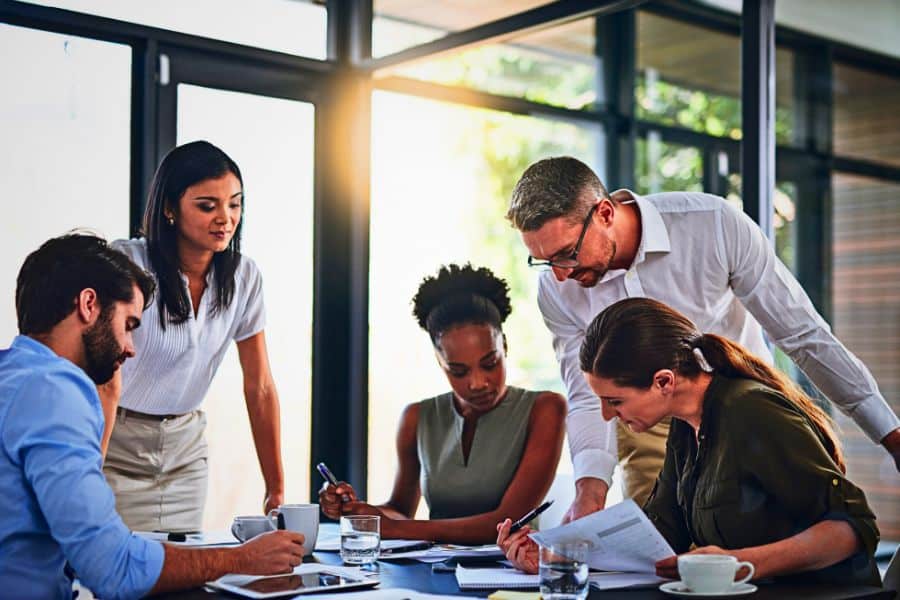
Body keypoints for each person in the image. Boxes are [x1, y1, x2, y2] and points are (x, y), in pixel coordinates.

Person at [506, 156, 900, 519]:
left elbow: (802, 334)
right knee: (653, 551)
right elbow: (587, 394)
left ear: (605, 212)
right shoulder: (556, 288)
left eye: (566, 254)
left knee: (758, 538)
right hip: (643, 417)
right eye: (544, 261)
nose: (559, 274)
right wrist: (589, 494)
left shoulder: (712, 225)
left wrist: (890, 433)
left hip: (739, 405)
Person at [0, 234, 305, 599]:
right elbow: (113, 569)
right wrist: (240, 559)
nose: (130, 349)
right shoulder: (57, 392)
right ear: (88, 304)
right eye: (129, 325)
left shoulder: (12, 377)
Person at [497, 297, 880, 586]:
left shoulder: (751, 411)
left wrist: (741, 562)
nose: (607, 416)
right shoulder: (684, 425)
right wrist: (558, 556)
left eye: (615, 401)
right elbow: (661, 537)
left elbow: (852, 527)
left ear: (664, 381)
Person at [99, 140, 285, 531]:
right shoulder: (128, 262)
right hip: (115, 446)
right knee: (118, 578)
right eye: (207, 206)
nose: (225, 218)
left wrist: (276, 486)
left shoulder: (244, 276)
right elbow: (102, 376)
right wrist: (88, 468)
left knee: (182, 574)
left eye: (234, 204)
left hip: (185, 450)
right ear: (169, 209)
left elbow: (261, 385)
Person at [319, 264, 566, 544]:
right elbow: (400, 511)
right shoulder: (417, 417)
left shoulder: (545, 409)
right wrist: (360, 512)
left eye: (489, 363)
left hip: (509, 573)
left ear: (505, 346)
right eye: (458, 371)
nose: (477, 383)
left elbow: (505, 521)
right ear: (439, 362)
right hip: (432, 569)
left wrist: (392, 529)